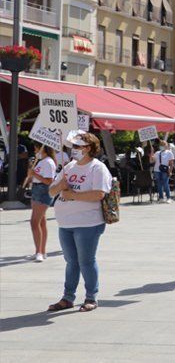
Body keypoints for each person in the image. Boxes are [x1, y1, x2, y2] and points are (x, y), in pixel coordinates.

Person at [46, 132, 112, 313]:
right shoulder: (69, 166)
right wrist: (60, 186)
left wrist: (72, 195)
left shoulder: (97, 168)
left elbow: (99, 194)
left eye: (77, 146)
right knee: (71, 261)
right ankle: (68, 298)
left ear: (88, 148)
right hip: (65, 223)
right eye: (72, 146)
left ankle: (91, 297)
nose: (73, 150)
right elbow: (51, 191)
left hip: (88, 223)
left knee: (86, 261)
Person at [24, 145, 56, 262]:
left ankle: (39, 252)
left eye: (36, 148)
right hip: (37, 190)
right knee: (41, 221)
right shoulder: (43, 162)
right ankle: (41, 250)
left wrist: (34, 175)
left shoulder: (48, 162)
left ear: (43, 149)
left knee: (34, 222)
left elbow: (49, 181)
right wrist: (31, 176)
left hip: (43, 192)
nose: (35, 151)